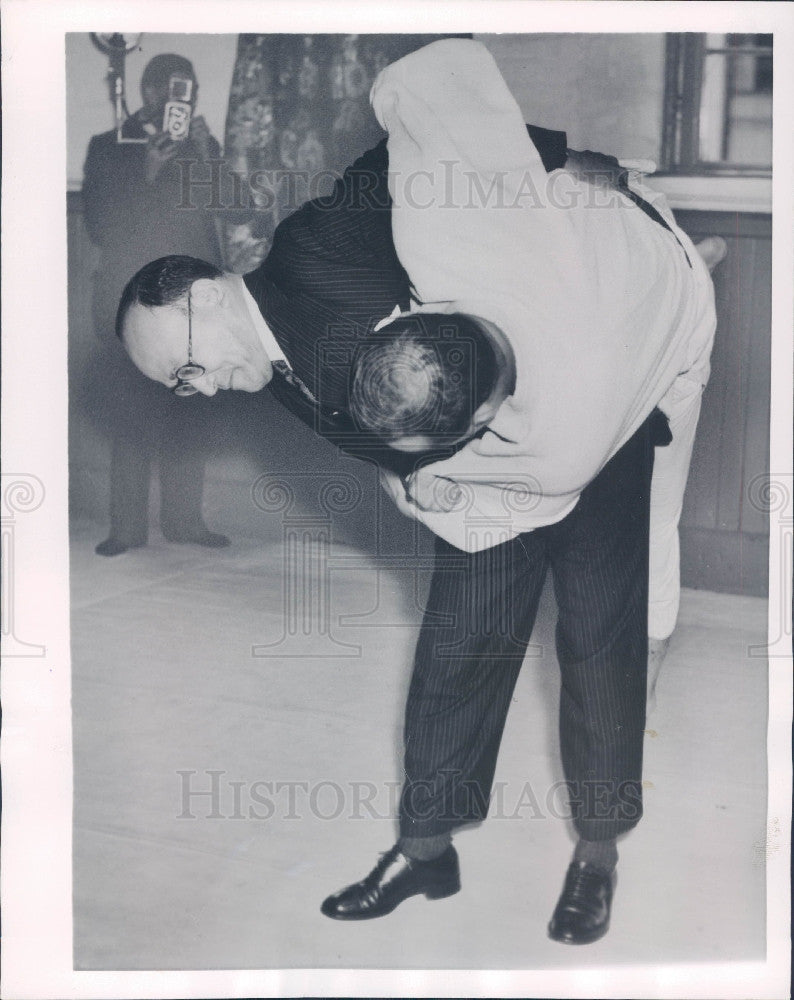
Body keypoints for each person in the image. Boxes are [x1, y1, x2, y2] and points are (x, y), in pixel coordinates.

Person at [115, 40, 723, 944]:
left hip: (593, 430)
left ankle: (597, 854)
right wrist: (411, 478)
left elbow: (425, 139)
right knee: (455, 653)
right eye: (181, 389)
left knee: (599, 638)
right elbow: (377, 431)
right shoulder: (267, 373)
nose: (194, 393)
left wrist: (553, 159)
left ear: (203, 297)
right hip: (484, 487)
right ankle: (425, 849)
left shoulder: (314, 247)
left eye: (184, 372)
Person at [82, 53, 230, 556]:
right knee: (131, 411)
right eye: (168, 89)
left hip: (191, 302)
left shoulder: (200, 149)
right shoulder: (108, 148)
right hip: (130, 299)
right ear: (147, 93)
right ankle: (126, 529)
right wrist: (148, 170)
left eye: (185, 90)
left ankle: (184, 522)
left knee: (190, 413)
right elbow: (100, 227)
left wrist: (208, 154)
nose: (175, 100)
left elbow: (230, 209)